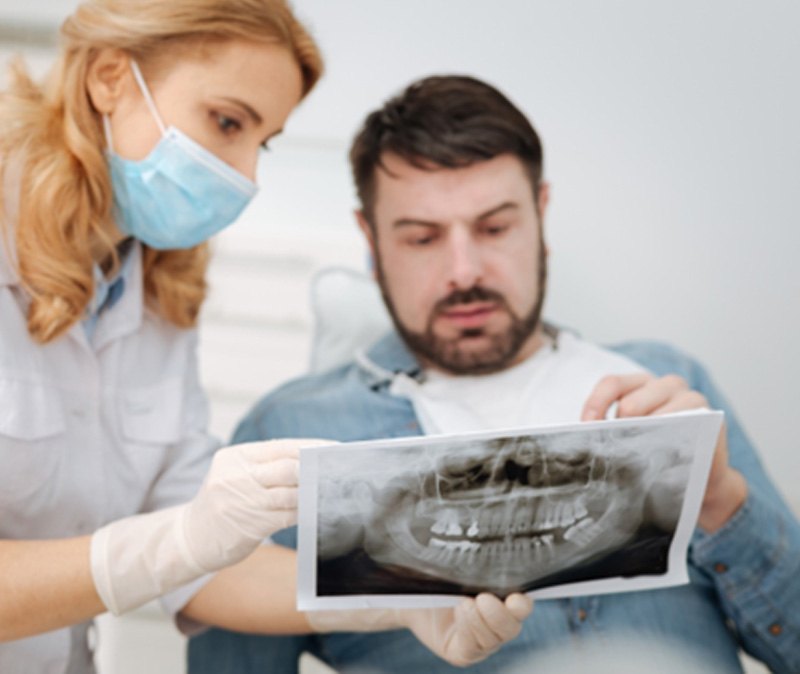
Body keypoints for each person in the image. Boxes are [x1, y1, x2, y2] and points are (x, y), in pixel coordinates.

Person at [187, 75, 800, 673]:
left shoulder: (666, 385)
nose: (464, 271)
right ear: (370, 241)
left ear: (540, 213)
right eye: (423, 238)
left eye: (494, 228)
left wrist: (722, 503)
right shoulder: (290, 430)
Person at [0, 4, 531, 672]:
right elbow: (186, 545)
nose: (246, 175)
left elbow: (209, 566)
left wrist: (395, 597)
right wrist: (176, 542)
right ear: (110, 77)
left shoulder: (153, 289)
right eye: (227, 122)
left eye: (263, 141)